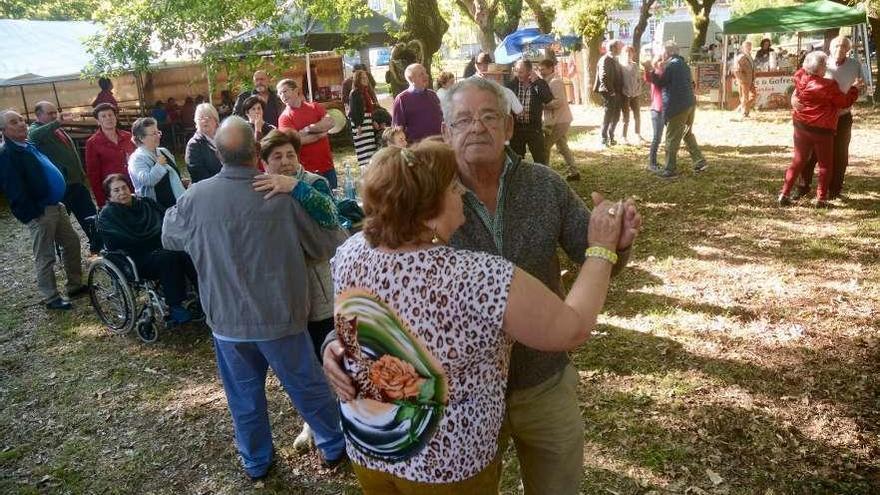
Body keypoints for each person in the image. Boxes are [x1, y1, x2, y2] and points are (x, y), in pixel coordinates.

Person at [323, 77, 642, 495]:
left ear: (509, 127)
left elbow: (594, 259)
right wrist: (335, 343)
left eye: (490, 116)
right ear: (446, 131)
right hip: (459, 428)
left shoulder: (546, 186)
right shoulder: (425, 195)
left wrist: (615, 245)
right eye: (464, 118)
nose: (477, 127)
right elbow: (375, 296)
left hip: (540, 384)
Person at [161, 116, 348, 481]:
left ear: (217, 153)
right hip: (281, 316)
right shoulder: (279, 194)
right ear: (256, 149)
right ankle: (333, 445)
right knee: (307, 387)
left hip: (226, 320)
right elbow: (330, 241)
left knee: (243, 398)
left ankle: (256, 461)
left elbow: (169, 235)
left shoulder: (195, 198)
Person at [252, 129, 343, 451]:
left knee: (327, 351)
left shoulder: (313, 183)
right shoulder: (258, 189)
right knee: (299, 360)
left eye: (290, 154)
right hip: (281, 289)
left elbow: (331, 217)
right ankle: (316, 421)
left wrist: (295, 187)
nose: (286, 161)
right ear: (264, 163)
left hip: (316, 285)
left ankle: (336, 416)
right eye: (277, 156)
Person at [0, 110, 85, 310]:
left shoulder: (28, 144)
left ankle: (75, 285)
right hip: (41, 211)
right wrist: (34, 213)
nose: (21, 123)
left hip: (55, 205)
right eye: (14, 122)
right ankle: (51, 297)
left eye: (21, 119)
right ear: (3, 130)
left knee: (72, 243)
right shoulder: (7, 154)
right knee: (45, 255)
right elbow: (14, 190)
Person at [96, 174, 197, 324]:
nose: (122, 192)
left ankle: (203, 293)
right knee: (168, 257)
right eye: (116, 190)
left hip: (161, 247)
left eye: (124, 188)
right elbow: (115, 243)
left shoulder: (145, 203)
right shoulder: (107, 216)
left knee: (186, 251)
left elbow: (167, 219)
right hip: (135, 259)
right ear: (109, 196)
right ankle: (175, 306)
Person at [777, 51, 859, 208]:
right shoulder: (828, 85)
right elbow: (844, 102)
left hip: (801, 126)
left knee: (798, 160)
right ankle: (821, 199)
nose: (826, 68)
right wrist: (855, 89)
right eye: (824, 65)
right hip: (822, 130)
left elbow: (800, 74)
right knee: (825, 164)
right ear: (820, 68)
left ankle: (784, 193)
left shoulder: (800, 76)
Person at [794, 35, 865, 201]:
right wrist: (794, 98)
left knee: (840, 155)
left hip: (842, 117)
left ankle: (834, 190)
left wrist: (857, 89)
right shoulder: (820, 60)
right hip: (818, 118)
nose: (839, 49)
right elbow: (801, 80)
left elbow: (861, 86)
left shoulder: (855, 65)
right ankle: (802, 187)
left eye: (844, 46)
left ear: (849, 49)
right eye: (836, 46)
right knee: (809, 154)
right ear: (830, 47)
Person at [28, 101, 101, 254]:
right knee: (61, 224)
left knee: (90, 216)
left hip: (77, 183)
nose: (55, 116)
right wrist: (57, 122)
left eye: (55, 112)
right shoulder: (36, 130)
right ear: (38, 115)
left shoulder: (58, 129)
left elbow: (71, 154)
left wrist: (81, 173)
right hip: (60, 187)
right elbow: (33, 136)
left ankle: (97, 246)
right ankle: (63, 252)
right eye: (50, 113)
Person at [646, 41, 707, 178]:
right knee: (687, 134)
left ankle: (669, 169)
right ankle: (699, 161)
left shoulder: (671, 65)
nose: (662, 55)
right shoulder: (684, 64)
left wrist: (651, 72)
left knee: (672, 138)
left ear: (667, 52)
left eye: (663, 52)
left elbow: (661, 83)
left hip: (678, 107)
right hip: (690, 104)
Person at [277, 79, 338, 188]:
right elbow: (294, 141)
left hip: (327, 165)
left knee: (333, 200)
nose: (282, 95)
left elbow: (330, 122)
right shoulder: (284, 118)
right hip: (306, 172)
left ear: (296, 91)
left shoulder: (314, 107)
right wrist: (319, 134)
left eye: (285, 91)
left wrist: (307, 129)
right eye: (280, 93)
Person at [128, 117, 188, 210]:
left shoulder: (164, 151)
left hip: (177, 205)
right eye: (153, 134)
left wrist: (180, 182)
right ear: (141, 138)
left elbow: (171, 176)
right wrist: (159, 166)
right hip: (157, 209)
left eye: (158, 132)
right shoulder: (136, 159)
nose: (158, 136)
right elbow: (148, 181)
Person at [86, 103, 136, 207]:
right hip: (113, 191)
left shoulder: (128, 136)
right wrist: (101, 202)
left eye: (111, 115)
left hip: (133, 185)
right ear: (98, 121)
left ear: (116, 117)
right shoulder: (93, 142)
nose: (108, 118)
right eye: (103, 116)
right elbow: (93, 174)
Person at [506, 59, 553, 165]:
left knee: (540, 159)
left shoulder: (539, 83)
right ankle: (518, 180)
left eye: (521, 72)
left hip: (534, 128)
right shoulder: (512, 85)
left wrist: (537, 82)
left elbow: (548, 99)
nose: (518, 74)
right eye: (516, 71)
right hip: (517, 129)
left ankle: (541, 180)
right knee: (516, 160)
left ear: (529, 71)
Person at [538, 59, 578, 181]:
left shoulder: (555, 82)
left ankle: (545, 174)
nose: (541, 72)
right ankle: (574, 171)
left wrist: (542, 105)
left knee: (545, 147)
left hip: (559, 120)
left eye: (543, 69)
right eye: (540, 69)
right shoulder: (548, 82)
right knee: (562, 146)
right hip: (559, 119)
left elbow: (558, 102)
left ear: (551, 69)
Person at [391, 63, 443, 143]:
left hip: (438, 146)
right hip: (416, 150)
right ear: (411, 79)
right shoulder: (402, 99)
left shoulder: (433, 95)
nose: (426, 76)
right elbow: (397, 130)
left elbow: (442, 118)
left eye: (425, 72)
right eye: (421, 74)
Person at [594, 39, 623, 146]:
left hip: (617, 91)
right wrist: (611, 92)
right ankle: (604, 137)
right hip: (609, 92)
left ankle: (611, 135)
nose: (620, 49)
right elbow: (604, 77)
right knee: (609, 114)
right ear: (613, 48)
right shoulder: (605, 59)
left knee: (616, 115)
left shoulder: (615, 59)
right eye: (619, 47)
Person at [348, 70, 380, 167]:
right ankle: (366, 169)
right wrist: (358, 126)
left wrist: (373, 120)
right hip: (360, 123)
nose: (366, 80)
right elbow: (354, 111)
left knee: (371, 147)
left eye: (366, 78)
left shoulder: (365, 91)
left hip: (367, 121)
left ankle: (371, 167)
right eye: (363, 78)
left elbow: (369, 109)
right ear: (358, 79)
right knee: (364, 149)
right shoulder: (355, 93)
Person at [185, 103, 223, 182]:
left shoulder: (224, 139)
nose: (204, 120)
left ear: (216, 120)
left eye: (208, 117)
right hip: (210, 189)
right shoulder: (194, 145)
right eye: (200, 118)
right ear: (196, 122)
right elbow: (198, 175)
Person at [643, 53, 666, 172]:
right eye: (659, 60)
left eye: (663, 60)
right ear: (655, 63)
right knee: (657, 137)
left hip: (666, 109)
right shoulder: (654, 74)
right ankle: (652, 163)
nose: (662, 62)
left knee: (663, 137)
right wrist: (647, 68)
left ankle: (658, 162)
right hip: (657, 110)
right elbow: (647, 77)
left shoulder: (666, 74)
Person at [619, 45, 644, 143]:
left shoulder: (635, 65)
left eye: (631, 52)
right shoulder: (620, 66)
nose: (629, 54)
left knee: (637, 115)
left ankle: (638, 134)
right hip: (625, 95)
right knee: (626, 117)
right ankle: (623, 136)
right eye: (627, 52)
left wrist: (638, 91)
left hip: (635, 95)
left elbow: (639, 80)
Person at [733, 41, 757, 119]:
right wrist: (741, 80)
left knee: (754, 96)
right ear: (743, 48)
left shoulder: (749, 56)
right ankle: (744, 113)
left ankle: (742, 107)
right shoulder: (741, 57)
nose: (749, 48)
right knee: (745, 97)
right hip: (744, 81)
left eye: (750, 46)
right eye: (747, 46)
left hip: (750, 80)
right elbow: (736, 70)